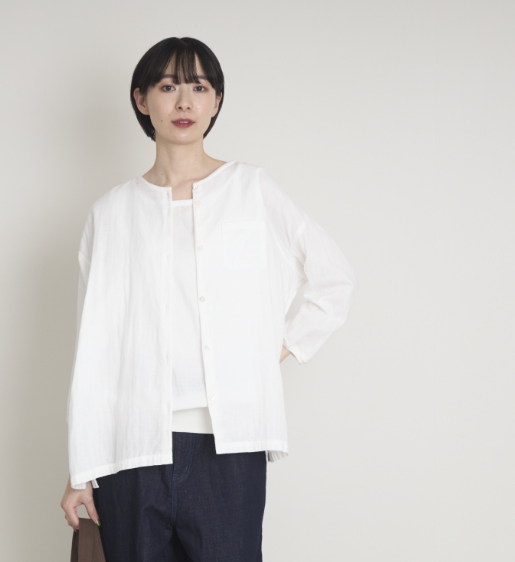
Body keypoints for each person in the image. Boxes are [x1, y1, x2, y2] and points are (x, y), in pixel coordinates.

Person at [60, 36, 358, 561]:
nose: (184, 102)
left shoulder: (252, 191)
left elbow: (334, 280)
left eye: (199, 87)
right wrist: (81, 469)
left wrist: (273, 350)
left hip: (229, 449)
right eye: (167, 86)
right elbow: (96, 350)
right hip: (130, 451)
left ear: (217, 101)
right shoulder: (111, 214)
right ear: (141, 99)